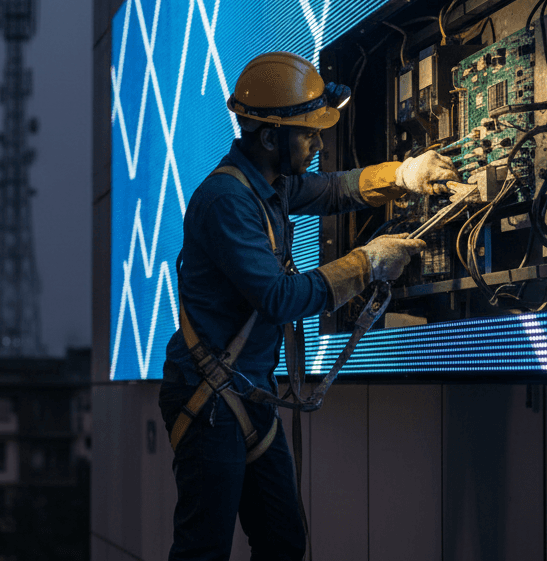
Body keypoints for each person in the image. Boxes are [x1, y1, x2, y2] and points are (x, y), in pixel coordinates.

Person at [159, 51, 458, 560]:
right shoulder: (228, 201)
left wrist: (405, 174)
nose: (319, 143)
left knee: (282, 542)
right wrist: (367, 263)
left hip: (247, 393)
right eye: (309, 134)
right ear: (271, 137)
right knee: (202, 551)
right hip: (210, 400)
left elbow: (335, 189)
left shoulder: (268, 185)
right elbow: (279, 299)